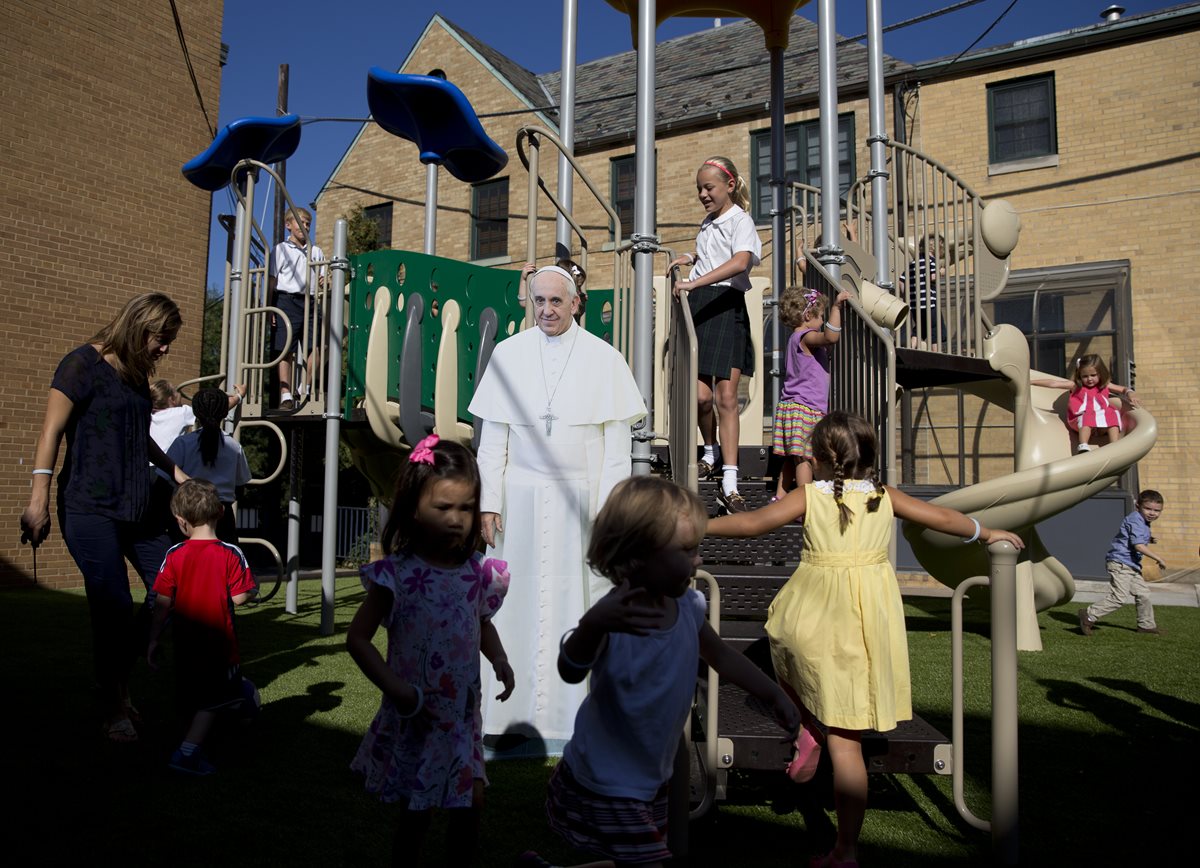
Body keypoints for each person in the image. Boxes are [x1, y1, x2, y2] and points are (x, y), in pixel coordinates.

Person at [707, 412, 1023, 868]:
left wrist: (698, 527)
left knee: (782, 644)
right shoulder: (883, 496)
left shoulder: (809, 496)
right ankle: (847, 849)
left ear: (815, 459)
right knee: (847, 740)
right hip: (864, 621)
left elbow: (753, 524)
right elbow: (942, 517)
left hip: (813, 609)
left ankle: (804, 729)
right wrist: (986, 532)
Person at [524, 476, 800, 868]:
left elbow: (720, 654)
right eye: (687, 551)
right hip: (608, 778)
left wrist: (773, 694)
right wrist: (593, 625)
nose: (698, 560)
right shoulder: (616, 614)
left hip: (650, 775)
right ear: (639, 555)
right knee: (648, 862)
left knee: (632, 862)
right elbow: (570, 669)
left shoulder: (688, 606)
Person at [469, 264, 646, 752]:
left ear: (574, 304)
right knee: (511, 607)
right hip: (519, 504)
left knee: (579, 601)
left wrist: (607, 511)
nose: (546, 310)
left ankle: (573, 721)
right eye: (538, 301)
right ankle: (507, 715)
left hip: (578, 503)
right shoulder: (508, 354)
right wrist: (488, 501)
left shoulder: (604, 359)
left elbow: (615, 448)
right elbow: (493, 440)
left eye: (555, 301)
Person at [20, 292, 186, 744]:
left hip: (138, 506)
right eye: (162, 338)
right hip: (89, 508)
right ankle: (115, 703)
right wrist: (36, 499)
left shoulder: (135, 377)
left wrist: (179, 474)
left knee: (172, 589)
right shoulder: (81, 364)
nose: (166, 348)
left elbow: (142, 440)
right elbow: (50, 431)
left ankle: (113, 678)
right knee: (113, 607)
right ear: (138, 325)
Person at [347, 435, 515, 866]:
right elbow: (358, 639)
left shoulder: (477, 574)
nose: (457, 519)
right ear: (413, 508)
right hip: (417, 717)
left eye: (466, 507)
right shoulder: (397, 575)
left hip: (461, 720)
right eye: (444, 508)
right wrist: (394, 688)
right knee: (416, 817)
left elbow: (480, 622)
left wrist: (498, 658)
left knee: (471, 805)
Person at [667, 155, 762, 513]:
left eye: (708, 188)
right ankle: (710, 450)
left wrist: (695, 282)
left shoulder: (741, 220)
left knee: (726, 398)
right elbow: (713, 254)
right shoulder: (708, 224)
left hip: (725, 302)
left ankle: (730, 483)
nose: (703, 195)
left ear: (730, 186)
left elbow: (740, 261)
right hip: (703, 304)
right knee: (700, 398)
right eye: (699, 189)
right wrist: (691, 257)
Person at [147, 479, 258, 775]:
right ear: (220, 512)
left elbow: (161, 602)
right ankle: (187, 753)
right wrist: (252, 590)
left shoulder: (173, 555)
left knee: (194, 696)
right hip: (219, 646)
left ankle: (198, 737)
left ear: (181, 521)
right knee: (216, 699)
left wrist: (153, 639)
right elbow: (240, 596)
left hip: (184, 643)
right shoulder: (231, 553)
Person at [772, 287, 851, 501]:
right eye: (821, 316)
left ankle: (780, 496)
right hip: (805, 407)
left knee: (793, 457)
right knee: (805, 459)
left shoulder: (793, 339)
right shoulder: (806, 337)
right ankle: (803, 501)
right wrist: (836, 307)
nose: (822, 320)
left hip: (793, 405)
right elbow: (830, 337)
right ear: (808, 316)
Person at [167, 387, 252, 546]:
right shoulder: (234, 447)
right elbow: (240, 487)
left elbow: (164, 481)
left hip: (188, 515)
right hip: (221, 516)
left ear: (196, 412)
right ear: (225, 413)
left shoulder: (183, 443)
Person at [1079, 490, 1167, 637]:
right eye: (1148, 509)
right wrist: (1158, 558)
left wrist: (1149, 539)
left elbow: (1133, 536)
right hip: (1120, 564)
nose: (1152, 513)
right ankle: (1089, 615)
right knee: (1119, 597)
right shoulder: (1136, 519)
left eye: (1157, 510)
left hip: (1132, 566)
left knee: (1143, 594)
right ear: (1137, 506)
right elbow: (1138, 545)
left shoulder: (1143, 522)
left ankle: (1146, 626)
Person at [269, 206, 325, 410]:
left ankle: (305, 387)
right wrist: (269, 307)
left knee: (316, 346)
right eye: (301, 222)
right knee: (285, 348)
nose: (305, 227)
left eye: (308, 223)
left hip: (309, 301)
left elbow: (324, 281)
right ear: (289, 225)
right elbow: (272, 280)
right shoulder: (281, 249)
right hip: (286, 300)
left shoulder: (316, 251)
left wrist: (323, 282)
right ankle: (285, 394)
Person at [1032, 354, 1139, 453]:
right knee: (1087, 416)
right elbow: (1054, 383)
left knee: (1112, 414)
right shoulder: (1076, 386)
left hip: (1100, 424)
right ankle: (1083, 444)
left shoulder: (1105, 385)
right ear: (1080, 376)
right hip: (1080, 421)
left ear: (1100, 373)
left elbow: (1123, 389)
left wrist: (1130, 393)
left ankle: (1114, 444)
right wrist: (1032, 382)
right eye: (1085, 376)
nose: (1089, 379)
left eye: (1093, 375)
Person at [522, 257, 589, 323]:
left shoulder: (575, 299)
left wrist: (523, 279)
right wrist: (523, 279)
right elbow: (525, 302)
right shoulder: (580, 298)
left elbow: (524, 302)